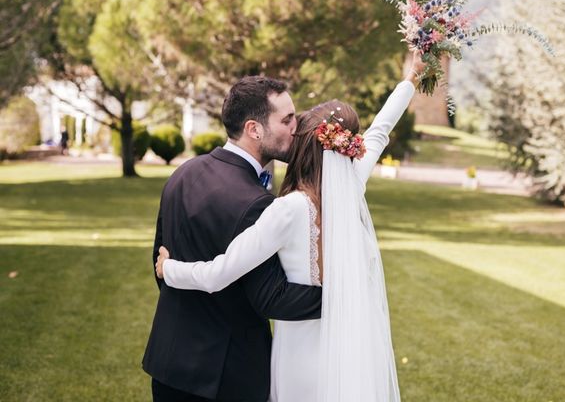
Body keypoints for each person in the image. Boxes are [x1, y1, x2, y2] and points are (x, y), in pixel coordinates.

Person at [155, 54, 423, 401]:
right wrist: (410, 80)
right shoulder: (352, 181)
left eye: (295, 123)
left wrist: (169, 269)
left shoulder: (286, 209)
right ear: (345, 146)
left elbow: (218, 274)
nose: (291, 127)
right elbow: (380, 131)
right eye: (288, 120)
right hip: (346, 350)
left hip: (298, 354)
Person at [142, 76, 323, 402]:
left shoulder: (183, 173)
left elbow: (161, 260)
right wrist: (342, 296)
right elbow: (272, 298)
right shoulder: (257, 203)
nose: (296, 128)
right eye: (286, 119)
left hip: (168, 364)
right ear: (254, 129)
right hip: (226, 377)